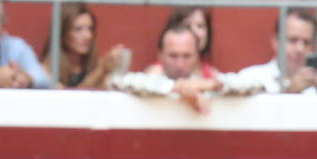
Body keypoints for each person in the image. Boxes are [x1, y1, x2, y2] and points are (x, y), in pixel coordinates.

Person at [110, 24, 262, 113]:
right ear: (160, 55)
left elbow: (257, 85)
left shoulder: (208, 82)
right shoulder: (152, 81)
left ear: (197, 56)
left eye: (186, 56)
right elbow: (118, 82)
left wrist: (213, 84)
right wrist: (178, 87)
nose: (180, 65)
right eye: (173, 56)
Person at [237, 9, 317, 95]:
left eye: (307, 42)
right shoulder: (250, 79)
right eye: (292, 40)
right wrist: (290, 93)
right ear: (275, 41)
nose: (300, 49)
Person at [143, 6, 217, 78]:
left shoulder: (214, 75)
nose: (195, 32)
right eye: (187, 26)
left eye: (200, 26)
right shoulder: (155, 74)